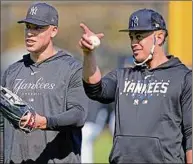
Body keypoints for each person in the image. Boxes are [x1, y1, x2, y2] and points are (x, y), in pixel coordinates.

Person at [79, 8, 192, 163]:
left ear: (159, 37)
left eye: (139, 37)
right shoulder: (122, 76)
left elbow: (191, 133)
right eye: (131, 37)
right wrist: (88, 53)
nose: (133, 43)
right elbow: (95, 89)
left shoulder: (183, 77)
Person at [1, 2, 88, 164]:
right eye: (28, 26)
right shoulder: (12, 72)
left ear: (54, 30)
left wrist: (44, 122)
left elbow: (78, 115)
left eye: (37, 28)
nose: (30, 33)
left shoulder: (72, 69)